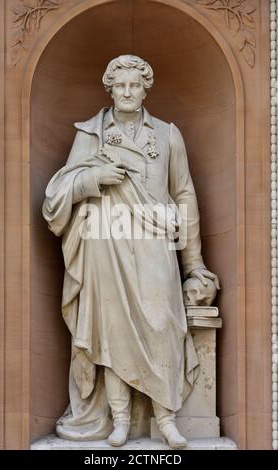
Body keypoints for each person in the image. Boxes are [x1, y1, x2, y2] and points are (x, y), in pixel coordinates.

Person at [42, 55, 219, 449]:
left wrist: (194, 265)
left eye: (134, 86)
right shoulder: (92, 134)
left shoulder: (168, 135)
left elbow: (184, 194)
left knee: (163, 325)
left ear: (145, 89)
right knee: (111, 332)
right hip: (106, 245)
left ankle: (166, 417)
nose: (127, 92)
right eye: (120, 85)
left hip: (156, 243)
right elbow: (55, 195)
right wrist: (92, 178)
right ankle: (120, 421)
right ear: (109, 88)